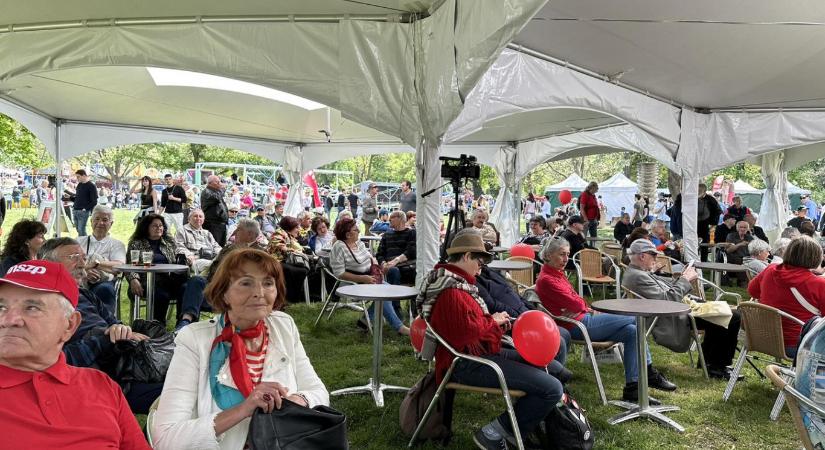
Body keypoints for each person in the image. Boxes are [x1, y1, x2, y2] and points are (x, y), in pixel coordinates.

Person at [151, 248, 329, 450]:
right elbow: (165, 439)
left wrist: (295, 401)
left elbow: (319, 393)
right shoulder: (195, 340)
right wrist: (245, 409)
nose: (259, 293)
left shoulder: (283, 326)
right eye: (246, 283)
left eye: (268, 283)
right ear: (224, 293)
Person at [418, 231, 563, 448]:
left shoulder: (454, 282)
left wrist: (493, 322)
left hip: (476, 353)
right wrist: (493, 322)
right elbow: (465, 334)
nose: (482, 266)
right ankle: (494, 434)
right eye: (480, 260)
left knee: (552, 367)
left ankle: (524, 428)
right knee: (552, 387)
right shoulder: (452, 290)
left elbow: (469, 326)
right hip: (465, 362)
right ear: (466, 256)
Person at [0, 259, 150, 449]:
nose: (9, 320)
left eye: (31, 307)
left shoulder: (102, 386)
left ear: (69, 325)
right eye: (1, 307)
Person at [536, 236, 676, 401]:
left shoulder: (557, 274)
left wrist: (580, 305)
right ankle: (649, 371)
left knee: (633, 331)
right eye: (561, 255)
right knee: (635, 316)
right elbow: (577, 303)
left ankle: (633, 387)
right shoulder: (547, 279)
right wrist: (581, 305)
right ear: (548, 255)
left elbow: (576, 302)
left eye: (567, 254)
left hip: (582, 320)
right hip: (575, 326)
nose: (566, 259)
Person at [37, 238, 165, 413]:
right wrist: (105, 339)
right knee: (176, 395)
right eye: (73, 257)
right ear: (48, 264)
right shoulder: (41, 306)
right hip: (103, 382)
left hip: (129, 362)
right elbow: (55, 362)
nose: (82, 263)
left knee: (190, 380)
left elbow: (115, 324)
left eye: (83, 257)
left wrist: (123, 331)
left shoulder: (84, 295)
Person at [622, 239, 742, 379]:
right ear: (642, 256)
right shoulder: (638, 276)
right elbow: (667, 300)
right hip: (671, 317)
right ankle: (716, 366)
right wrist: (685, 279)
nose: (656, 258)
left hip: (673, 312)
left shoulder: (636, 272)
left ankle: (711, 363)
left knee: (722, 311)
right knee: (733, 316)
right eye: (653, 255)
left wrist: (658, 273)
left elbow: (663, 292)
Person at [329, 218, 409, 335]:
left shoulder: (359, 243)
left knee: (388, 291)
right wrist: (362, 279)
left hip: (368, 278)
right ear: (348, 234)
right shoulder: (339, 247)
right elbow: (339, 273)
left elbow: (371, 257)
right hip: (351, 282)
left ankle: (365, 320)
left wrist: (376, 267)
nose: (359, 231)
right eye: (356, 229)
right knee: (384, 293)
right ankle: (399, 327)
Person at [749, 236, 825, 358]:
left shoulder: (770, 270)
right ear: (816, 258)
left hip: (761, 337)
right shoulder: (819, 284)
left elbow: (752, 291)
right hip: (800, 345)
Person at [127, 214, 190, 322]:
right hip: (145, 281)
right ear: (146, 227)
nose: (159, 228)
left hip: (168, 280)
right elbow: (129, 264)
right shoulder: (136, 243)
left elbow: (177, 255)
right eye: (154, 226)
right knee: (161, 295)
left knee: (186, 288)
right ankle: (157, 327)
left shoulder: (169, 242)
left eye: (161, 225)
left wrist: (186, 259)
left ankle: (182, 324)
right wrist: (133, 279)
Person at [76, 205, 126, 314]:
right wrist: (86, 271)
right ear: (91, 221)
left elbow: (119, 266)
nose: (100, 223)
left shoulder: (117, 245)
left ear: (111, 223)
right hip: (80, 279)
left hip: (104, 282)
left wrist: (96, 263)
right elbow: (71, 263)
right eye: (97, 219)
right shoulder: (79, 241)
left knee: (104, 289)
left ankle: (105, 324)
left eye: (105, 220)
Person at [267, 216, 309, 304]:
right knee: (298, 271)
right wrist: (297, 252)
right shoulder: (278, 234)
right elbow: (281, 247)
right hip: (275, 262)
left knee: (303, 269)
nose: (299, 229)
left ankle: (301, 296)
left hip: (284, 260)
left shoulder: (289, 235)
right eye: (297, 227)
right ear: (290, 227)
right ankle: (290, 298)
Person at [175, 208, 223, 275]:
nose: (198, 218)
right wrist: (188, 255)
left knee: (224, 263)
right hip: (195, 260)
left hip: (210, 259)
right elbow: (179, 247)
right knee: (216, 266)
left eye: (200, 216)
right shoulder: (182, 231)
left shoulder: (207, 233)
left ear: (203, 220)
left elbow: (216, 246)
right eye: (195, 216)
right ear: (189, 219)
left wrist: (223, 254)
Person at [376, 210, 416, 286]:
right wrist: (383, 264)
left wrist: (395, 261)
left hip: (407, 267)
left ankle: (393, 296)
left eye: (392, 217)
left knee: (396, 270)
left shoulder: (411, 233)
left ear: (400, 219)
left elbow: (411, 251)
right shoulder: (387, 235)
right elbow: (379, 254)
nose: (389, 219)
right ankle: (393, 296)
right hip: (390, 268)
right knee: (393, 270)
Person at [201, 175, 229, 246]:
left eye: (220, 181)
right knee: (214, 245)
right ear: (210, 183)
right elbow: (217, 198)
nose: (220, 183)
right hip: (213, 224)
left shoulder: (216, 191)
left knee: (221, 246)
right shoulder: (206, 192)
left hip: (221, 224)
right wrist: (222, 189)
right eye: (217, 182)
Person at [69, 169, 98, 237]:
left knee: (81, 229)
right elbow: (78, 198)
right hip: (75, 209)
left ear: (84, 175)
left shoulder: (91, 186)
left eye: (78, 176)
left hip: (83, 211)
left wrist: (85, 209)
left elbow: (94, 201)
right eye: (76, 177)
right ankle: (83, 242)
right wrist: (70, 197)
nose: (77, 178)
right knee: (78, 229)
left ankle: (84, 244)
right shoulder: (79, 185)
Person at [698, 183, 722, 261]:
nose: (698, 192)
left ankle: (704, 261)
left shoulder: (711, 199)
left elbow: (718, 211)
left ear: (704, 191)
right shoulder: (693, 198)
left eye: (700, 190)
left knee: (706, 244)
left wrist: (713, 225)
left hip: (708, 225)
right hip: (695, 225)